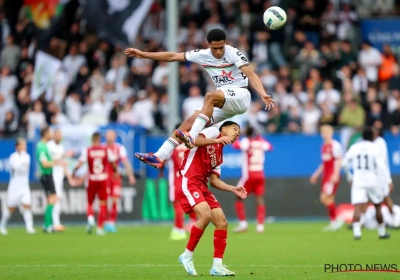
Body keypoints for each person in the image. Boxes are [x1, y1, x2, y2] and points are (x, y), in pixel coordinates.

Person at [126, 28, 275, 169]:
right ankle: (159, 156)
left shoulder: (233, 53)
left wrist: (262, 93)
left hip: (241, 96)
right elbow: (172, 56)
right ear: (208, 45)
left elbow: (250, 74)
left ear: (225, 43)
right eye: (214, 48)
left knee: (210, 95)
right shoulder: (202, 54)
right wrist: (143, 54)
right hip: (223, 101)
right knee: (189, 122)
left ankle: (192, 136)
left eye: (221, 47)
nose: (218, 51)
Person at [177, 121, 247, 277]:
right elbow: (193, 140)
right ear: (224, 129)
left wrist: (233, 188)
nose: (237, 133)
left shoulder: (219, 155)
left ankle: (217, 266)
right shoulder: (213, 132)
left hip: (202, 185)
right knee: (206, 215)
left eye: (239, 132)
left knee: (222, 222)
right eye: (235, 129)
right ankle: (187, 255)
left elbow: (214, 181)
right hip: (190, 180)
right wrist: (217, 139)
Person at [342, 127, 391, 240]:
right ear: (372, 136)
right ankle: (382, 232)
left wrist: (350, 177)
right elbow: (381, 165)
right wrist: (388, 181)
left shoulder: (354, 147)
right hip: (373, 181)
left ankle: (357, 233)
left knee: (358, 206)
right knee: (377, 206)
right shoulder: (375, 148)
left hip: (358, 181)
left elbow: (344, 163)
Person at [72, 132, 117, 236]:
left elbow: (80, 164)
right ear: (99, 139)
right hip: (103, 179)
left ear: (92, 140)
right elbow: (113, 163)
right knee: (102, 203)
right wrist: (115, 172)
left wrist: (74, 172)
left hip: (91, 178)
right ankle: (99, 228)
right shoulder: (106, 150)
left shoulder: (87, 150)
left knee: (89, 202)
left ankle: (90, 218)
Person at [232, 126, 272, 233]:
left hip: (249, 175)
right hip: (260, 174)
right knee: (259, 199)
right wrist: (260, 137)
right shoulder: (260, 142)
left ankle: (243, 224)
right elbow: (270, 147)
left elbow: (235, 145)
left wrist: (237, 136)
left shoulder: (246, 141)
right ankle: (260, 226)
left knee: (238, 196)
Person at [310, 125, 344, 231]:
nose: (325, 134)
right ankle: (334, 221)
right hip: (326, 176)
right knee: (329, 199)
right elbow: (324, 163)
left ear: (331, 133)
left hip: (331, 176)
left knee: (324, 198)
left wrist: (336, 174)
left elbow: (339, 160)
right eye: (323, 132)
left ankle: (336, 219)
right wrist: (316, 174)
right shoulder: (324, 146)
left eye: (327, 132)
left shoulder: (335, 145)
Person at [0, 139, 35, 235]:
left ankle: (29, 227)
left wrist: (22, 160)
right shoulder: (13, 157)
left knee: (27, 205)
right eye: (22, 146)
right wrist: (21, 161)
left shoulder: (27, 156)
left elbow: (25, 164)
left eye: (24, 145)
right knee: (11, 208)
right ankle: (2, 225)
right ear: (17, 147)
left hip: (24, 185)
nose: (24, 148)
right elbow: (16, 167)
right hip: (15, 185)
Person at [103, 130, 136, 233]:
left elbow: (125, 162)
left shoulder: (119, 148)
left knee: (114, 199)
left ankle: (112, 222)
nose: (109, 136)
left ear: (115, 136)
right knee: (104, 200)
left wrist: (130, 175)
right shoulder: (102, 147)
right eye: (108, 134)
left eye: (111, 134)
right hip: (104, 177)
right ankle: (104, 221)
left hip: (115, 177)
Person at [167, 125, 197, 240]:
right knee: (189, 203)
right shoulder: (191, 146)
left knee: (177, 205)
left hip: (176, 180)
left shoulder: (172, 147)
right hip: (190, 180)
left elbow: (162, 160)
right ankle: (186, 225)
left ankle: (179, 230)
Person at [36, 127, 60, 233]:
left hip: (48, 175)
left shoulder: (44, 146)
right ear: (45, 134)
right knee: (52, 199)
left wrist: (61, 158)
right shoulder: (41, 147)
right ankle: (47, 225)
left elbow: (49, 160)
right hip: (46, 175)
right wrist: (56, 163)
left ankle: (48, 224)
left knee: (51, 199)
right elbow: (44, 163)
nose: (51, 134)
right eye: (50, 132)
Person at [47, 129, 71, 232]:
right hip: (51, 175)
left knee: (57, 199)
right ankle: (55, 223)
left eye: (60, 135)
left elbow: (62, 163)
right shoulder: (49, 145)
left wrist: (68, 176)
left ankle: (53, 223)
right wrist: (63, 157)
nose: (58, 136)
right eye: (56, 134)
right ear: (53, 135)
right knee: (54, 199)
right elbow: (48, 161)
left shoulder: (61, 147)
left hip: (59, 176)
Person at [372, 127, 394, 216]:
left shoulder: (380, 142)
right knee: (369, 198)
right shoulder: (372, 142)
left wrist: (388, 180)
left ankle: (395, 218)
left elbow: (381, 160)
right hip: (374, 176)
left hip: (380, 176)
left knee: (385, 197)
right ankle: (359, 221)